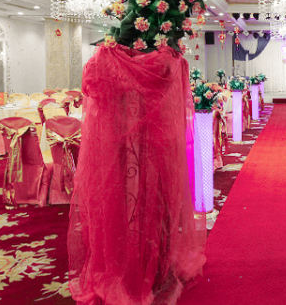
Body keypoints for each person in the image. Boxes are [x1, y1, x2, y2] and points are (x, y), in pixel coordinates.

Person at [68, 43, 205, 304]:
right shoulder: (130, 65)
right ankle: (134, 262)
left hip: (147, 155)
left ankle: (152, 259)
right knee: (129, 202)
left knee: (150, 203)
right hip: (127, 157)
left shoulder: (159, 63)